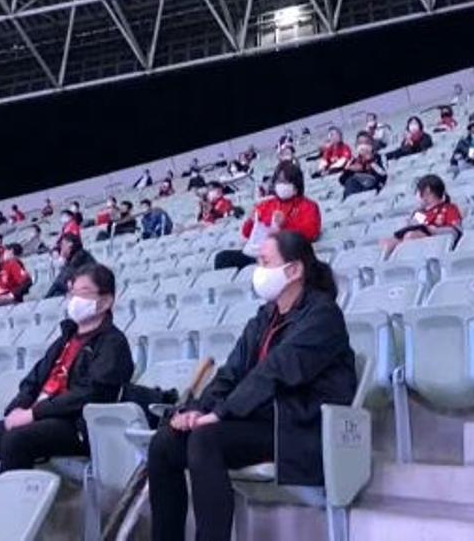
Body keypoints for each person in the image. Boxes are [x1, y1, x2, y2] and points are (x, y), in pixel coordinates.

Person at [148, 231, 356, 541]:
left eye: (265, 261)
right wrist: (196, 410)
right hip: (258, 417)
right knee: (165, 442)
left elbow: (275, 371)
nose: (258, 270)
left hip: (297, 424)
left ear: (294, 270)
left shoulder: (323, 315)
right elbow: (231, 372)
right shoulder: (265, 317)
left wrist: (220, 413)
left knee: (206, 439)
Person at [0, 264, 134, 472]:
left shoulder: (112, 343)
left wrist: (33, 414)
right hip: (39, 415)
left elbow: (91, 394)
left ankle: (12, 502)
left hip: (76, 424)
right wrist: (17, 408)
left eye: (83, 293)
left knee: (15, 440)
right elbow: (33, 380)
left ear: (105, 301)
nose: (74, 299)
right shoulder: (66, 337)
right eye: (72, 292)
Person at [215, 162, 322, 271]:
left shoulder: (308, 205)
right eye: (279, 181)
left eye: (285, 181)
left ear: (296, 185)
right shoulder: (266, 204)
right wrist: (250, 221)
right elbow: (246, 234)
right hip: (259, 252)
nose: (281, 185)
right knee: (222, 258)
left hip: (285, 254)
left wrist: (284, 225)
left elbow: (312, 233)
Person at [380, 175, 463, 255]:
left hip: (433, 246)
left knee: (411, 236)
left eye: (419, 191)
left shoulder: (449, 208)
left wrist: (434, 230)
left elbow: (455, 232)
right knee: (387, 242)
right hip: (413, 243)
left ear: (427, 191)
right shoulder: (418, 212)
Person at [338, 131, 387, 200]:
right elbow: (342, 180)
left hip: (373, 190)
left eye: (366, 143)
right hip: (354, 191)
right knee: (350, 182)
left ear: (372, 145)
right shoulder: (353, 161)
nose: (363, 146)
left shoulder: (379, 157)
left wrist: (369, 163)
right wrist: (348, 170)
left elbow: (384, 176)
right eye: (360, 143)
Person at [45, 234, 95, 298]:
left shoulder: (80, 257)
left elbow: (61, 281)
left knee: (58, 292)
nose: (60, 248)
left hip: (90, 290)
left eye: (62, 245)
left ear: (70, 244)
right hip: (84, 289)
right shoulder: (73, 258)